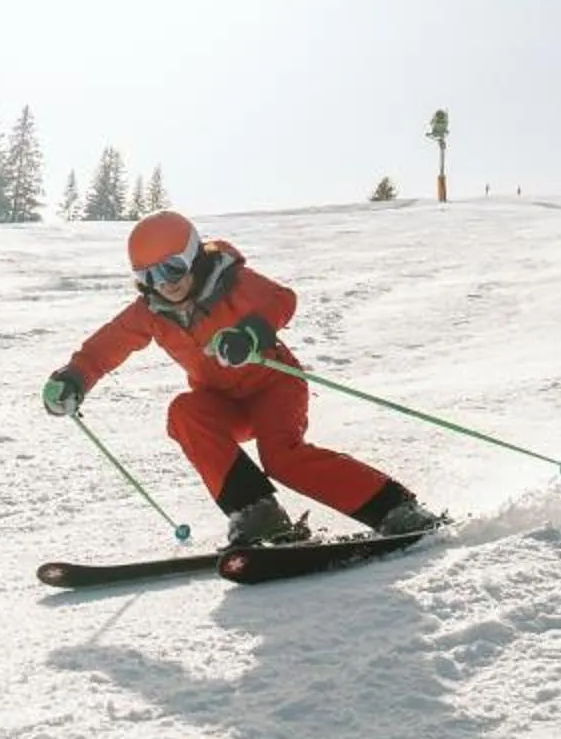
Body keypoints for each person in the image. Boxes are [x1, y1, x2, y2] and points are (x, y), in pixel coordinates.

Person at [42, 210, 439, 546]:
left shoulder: (232, 281)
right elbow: (105, 347)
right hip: (222, 400)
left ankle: (394, 508)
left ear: (192, 256)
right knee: (184, 412)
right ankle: (257, 512)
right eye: (149, 275)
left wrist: (249, 334)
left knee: (282, 457)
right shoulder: (150, 311)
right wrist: (74, 378)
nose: (164, 282)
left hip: (274, 386)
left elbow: (282, 299)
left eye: (171, 267)